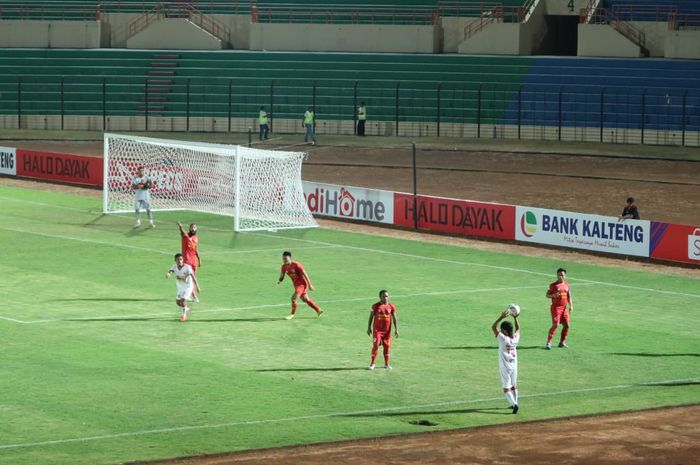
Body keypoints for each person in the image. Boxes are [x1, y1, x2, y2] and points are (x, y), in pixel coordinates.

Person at [277, 251, 323, 319]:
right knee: (305, 299)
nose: (284, 260)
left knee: (294, 298)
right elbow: (282, 276)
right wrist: (279, 281)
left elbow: (305, 274)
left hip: (302, 284)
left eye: (286, 259)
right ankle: (318, 310)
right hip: (296, 285)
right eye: (283, 259)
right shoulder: (284, 267)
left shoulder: (296, 265)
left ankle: (291, 315)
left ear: (290, 258)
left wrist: (310, 285)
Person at [491, 307, 520, 414]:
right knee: (514, 386)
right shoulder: (515, 339)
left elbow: (493, 327)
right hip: (514, 366)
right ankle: (515, 402)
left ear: (503, 331)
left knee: (506, 388)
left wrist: (501, 317)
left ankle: (514, 405)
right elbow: (518, 329)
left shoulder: (503, 339)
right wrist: (516, 318)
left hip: (505, 367)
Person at [367, 289, 398, 370]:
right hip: (377, 331)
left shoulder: (391, 306)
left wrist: (396, 329)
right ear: (380, 297)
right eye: (383, 296)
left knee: (387, 346)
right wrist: (368, 327)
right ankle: (372, 364)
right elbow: (371, 317)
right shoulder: (375, 306)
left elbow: (395, 318)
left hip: (387, 331)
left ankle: (387, 364)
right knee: (376, 345)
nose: (385, 298)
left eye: (387, 296)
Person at [166, 253, 201, 322]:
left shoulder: (187, 267)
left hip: (188, 286)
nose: (180, 261)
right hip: (180, 286)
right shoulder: (174, 266)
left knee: (182, 301)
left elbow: (193, 276)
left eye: (181, 259)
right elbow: (171, 271)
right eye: (178, 259)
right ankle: (186, 308)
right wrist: (169, 274)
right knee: (178, 302)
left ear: (183, 260)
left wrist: (197, 286)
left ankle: (183, 316)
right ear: (175, 260)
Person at [545, 267, 573, 349]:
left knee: (567, 325)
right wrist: (553, 295)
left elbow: (569, 296)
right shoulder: (553, 285)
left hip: (564, 308)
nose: (561, 276)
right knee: (555, 324)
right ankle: (548, 342)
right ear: (557, 275)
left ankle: (562, 343)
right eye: (559, 275)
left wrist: (571, 305)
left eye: (562, 275)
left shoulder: (567, 285)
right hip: (556, 308)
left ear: (565, 276)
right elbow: (547, 295)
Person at [177, 221, 201, 303]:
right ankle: (194, 296)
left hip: (194, 261)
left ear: (196, 229)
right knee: (190, 278)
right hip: (187, 261)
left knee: (189, 278)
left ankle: (188, 293)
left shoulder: (196, 238)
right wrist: (180, 227)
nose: (193, 229)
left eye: (194, 227)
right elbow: (182, 232)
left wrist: (199, 259)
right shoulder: (185, 236)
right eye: (192, 227)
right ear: (189, 228)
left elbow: (195, 249)